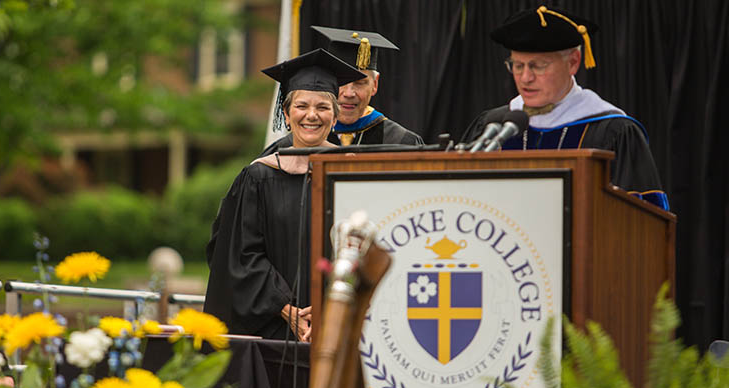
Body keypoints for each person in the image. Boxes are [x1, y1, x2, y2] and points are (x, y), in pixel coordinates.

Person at [205, 49, 365, 341]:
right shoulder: (259, 176)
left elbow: (369, 248)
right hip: (276, 328)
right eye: (302, 106)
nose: (312, 115)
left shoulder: (354, 173)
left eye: (323, 107)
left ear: (336, 115)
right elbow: (241, 254)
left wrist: (331, 306)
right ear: (287, 114)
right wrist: (285, 308)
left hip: (343, 323)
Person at [459, 6, 669, 211]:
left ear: (573, 63)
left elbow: (641, 219)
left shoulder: (612, 132)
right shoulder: (492, 127)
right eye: (517, 65)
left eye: (538, 65)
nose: (525, 78)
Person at [261, 27, 422, 155]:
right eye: (341, 83)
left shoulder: (401, 143)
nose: (349, 93)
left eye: (360, 83)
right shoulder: (287, 150)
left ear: (375, 85)